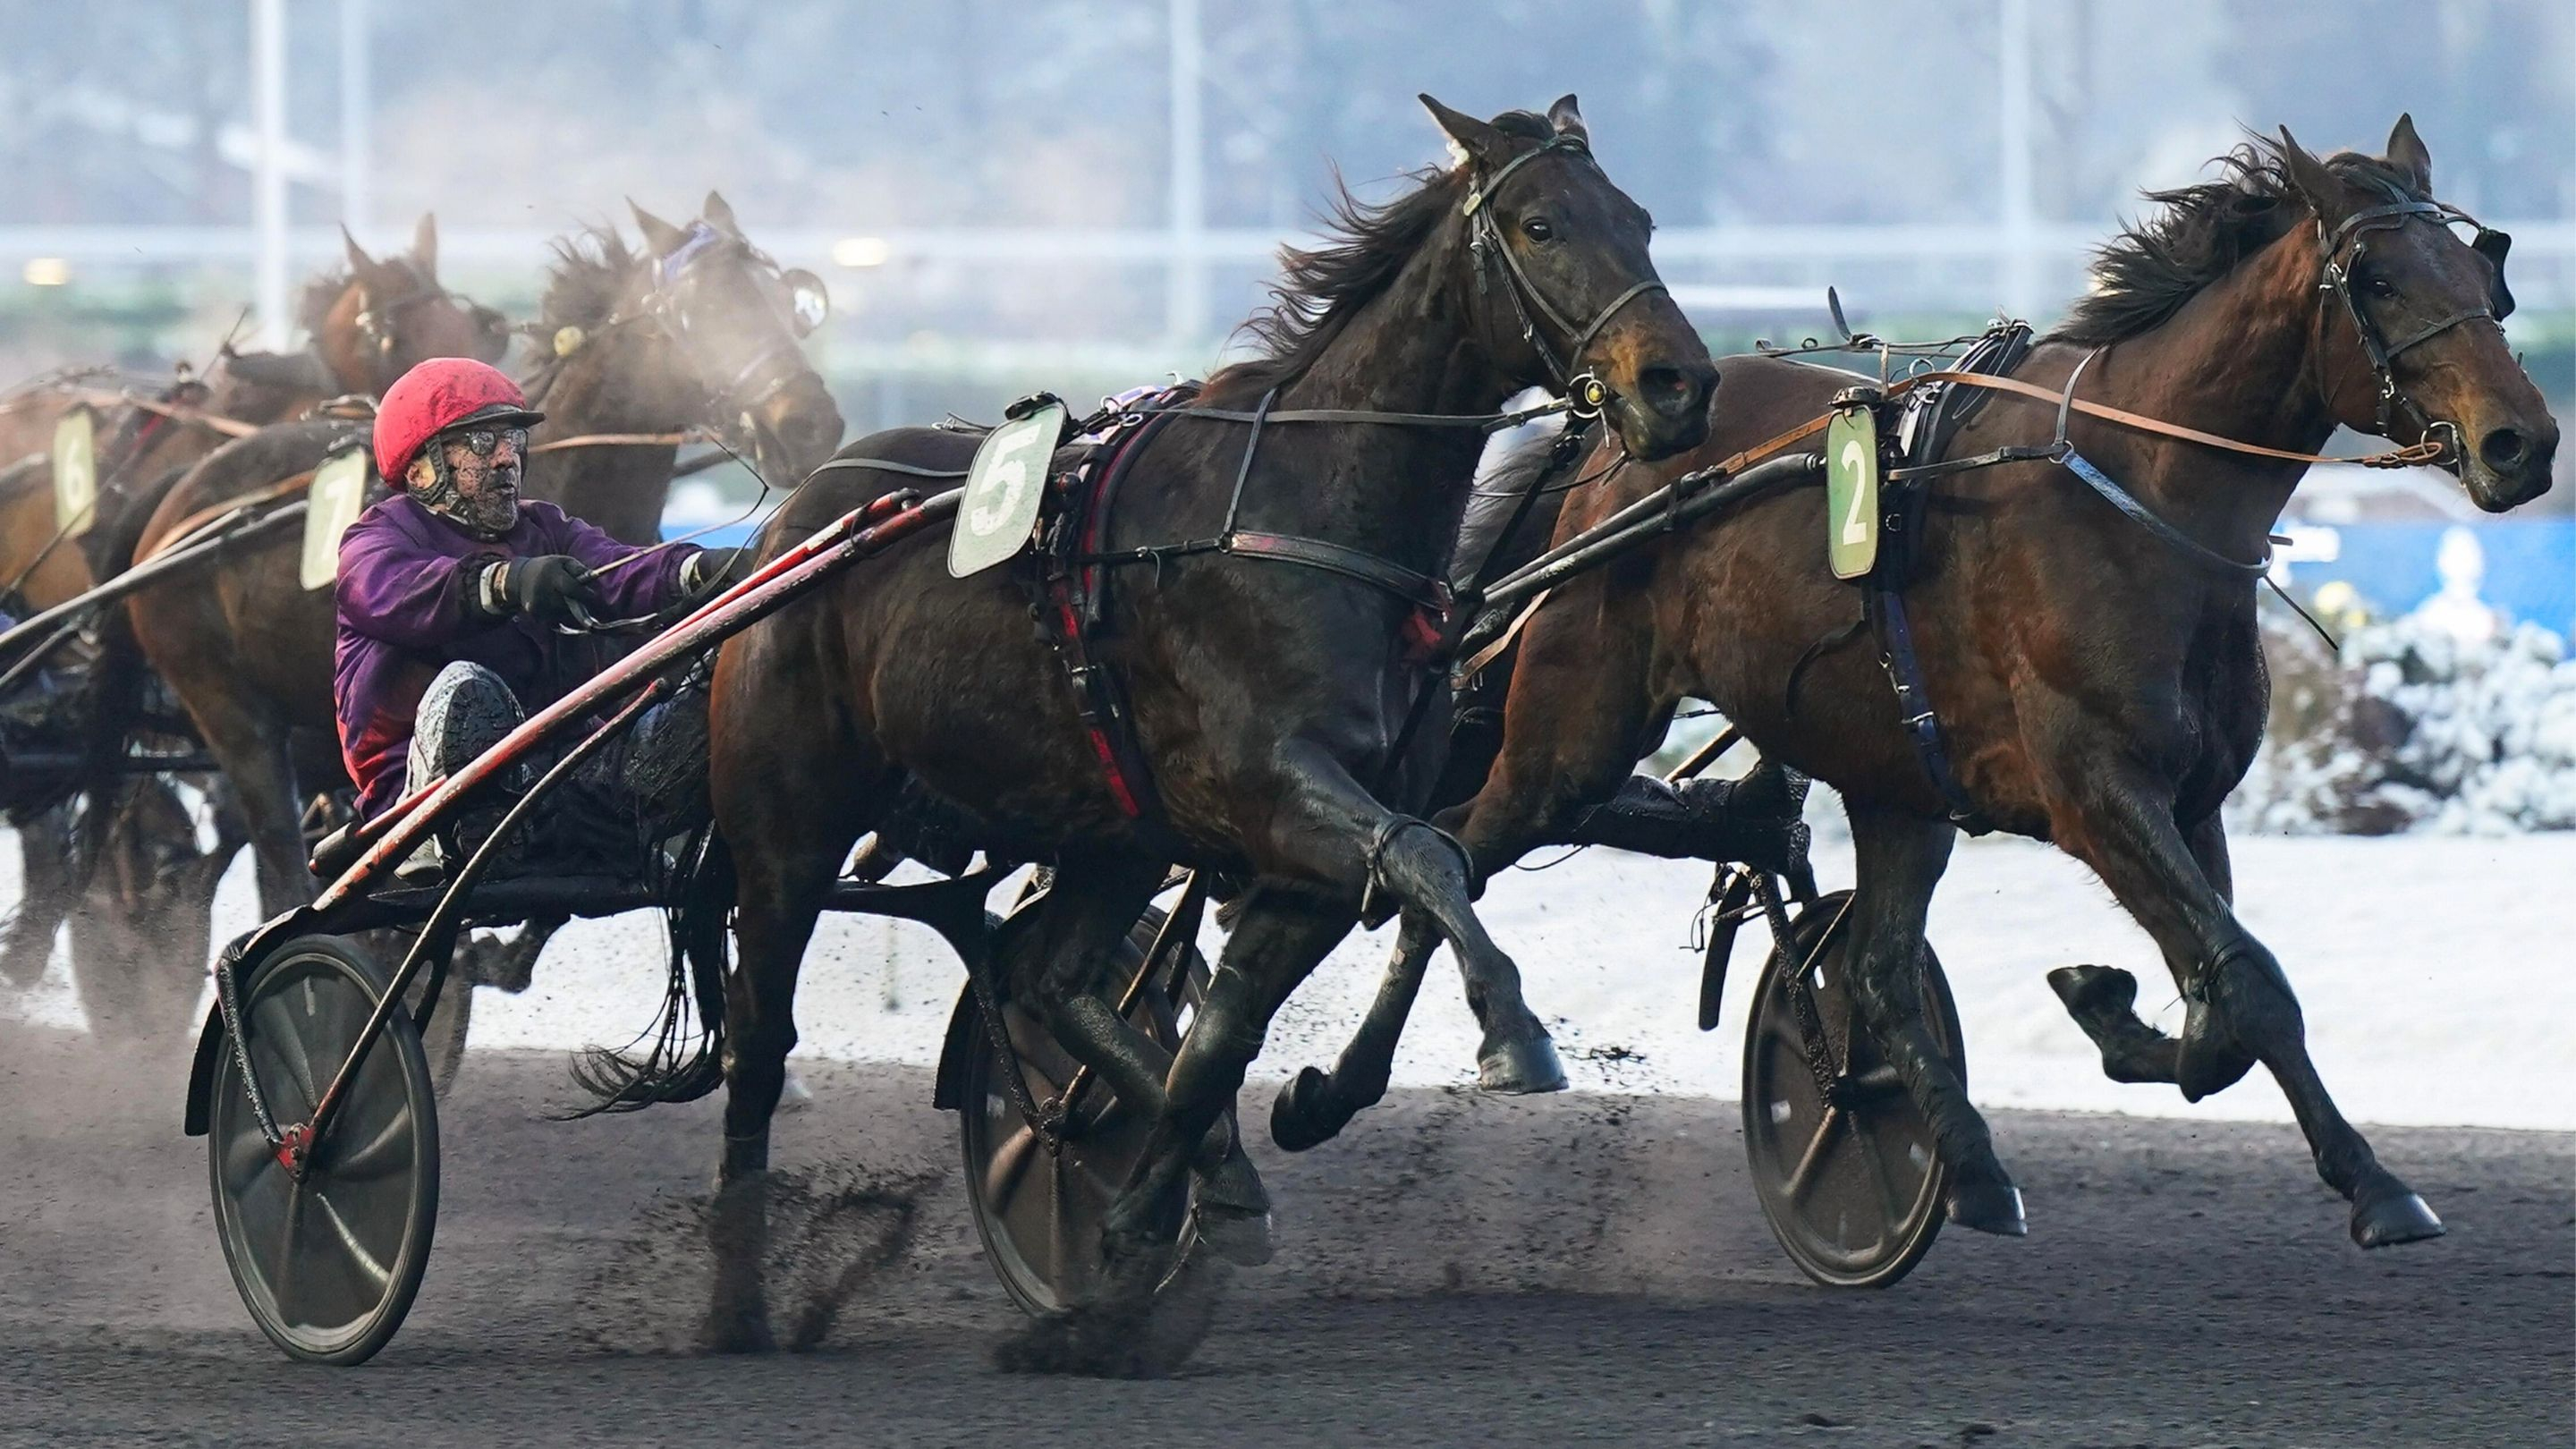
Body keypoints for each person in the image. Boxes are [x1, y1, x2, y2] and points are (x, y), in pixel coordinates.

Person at [334, 358, 739, 874]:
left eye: (513, 440)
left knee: (715, 690)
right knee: (467, 688)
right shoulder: (375, 542)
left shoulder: (546, 526)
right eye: (482, 442)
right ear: (422, 469)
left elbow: (622, 570)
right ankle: (437, 842)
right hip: (419, 801)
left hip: (560, 776)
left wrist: (711, 568)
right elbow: (396, 594)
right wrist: (508, 582)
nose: (507, 458)